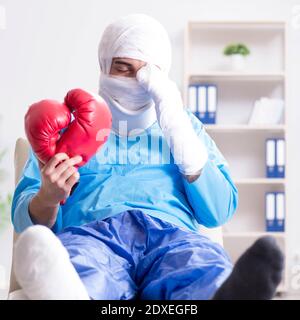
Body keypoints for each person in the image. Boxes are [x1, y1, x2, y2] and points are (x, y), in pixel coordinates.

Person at [11, 14, 283, 300]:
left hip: (173, 237)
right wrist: (48, 196)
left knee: (199, 266)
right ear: (104, 66)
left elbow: (219, 211)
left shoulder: (184, 126)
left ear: (161, 75)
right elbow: (25, 220)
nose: (135, 81)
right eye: (123, 68)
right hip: (93, 236)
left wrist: (180, 134)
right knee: (83, 265)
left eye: (147, 73)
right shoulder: (64, 126)